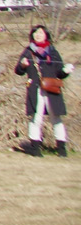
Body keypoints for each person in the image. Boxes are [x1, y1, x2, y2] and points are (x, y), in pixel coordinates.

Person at [16, 24, 72, 157]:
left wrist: (66, 71)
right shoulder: (28, 51)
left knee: (56, 118)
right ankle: (35, 149)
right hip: (35, 89)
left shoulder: (52, 51)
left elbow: (59, 72)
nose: (38, 35)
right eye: (35, 33)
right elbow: (18, 71)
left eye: (40, 33)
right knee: (36, 118)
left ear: (46, 35)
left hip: (52, 88)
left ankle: (62, 149)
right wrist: (22, 65)